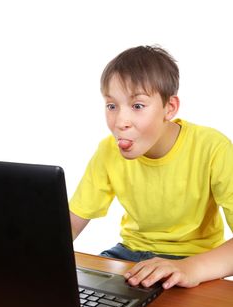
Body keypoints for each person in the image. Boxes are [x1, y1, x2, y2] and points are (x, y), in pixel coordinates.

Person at [69, 45, 233, 290]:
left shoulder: (213, 148)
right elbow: (70, 223)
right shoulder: (107, 151)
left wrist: (190, 268)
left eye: (137, 106)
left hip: (192, 262)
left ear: (170, 108)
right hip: (127, 256)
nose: (120, 122)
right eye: (112, 106)